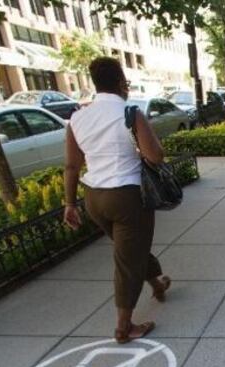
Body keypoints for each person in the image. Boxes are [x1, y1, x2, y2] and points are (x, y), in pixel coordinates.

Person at [63, 56, 171, 343]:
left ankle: (157, 283)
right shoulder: (130, 112)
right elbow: (156, 156)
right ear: (122, 81)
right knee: (127, 260)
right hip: (127, 197)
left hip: (93, 198)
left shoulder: (77, 117)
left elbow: (72, 166)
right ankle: (124, 328)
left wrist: (70, 203)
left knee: (130, 250)